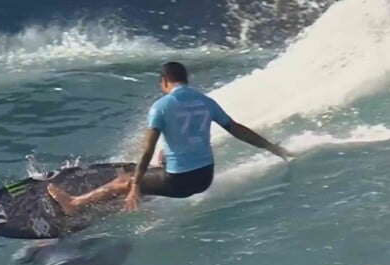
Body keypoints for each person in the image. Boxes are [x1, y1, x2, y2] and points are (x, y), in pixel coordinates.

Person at [47, 62, 294, 214]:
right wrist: (274, 148)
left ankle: (75, 204)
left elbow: (146, 149)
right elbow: (237, 129)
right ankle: (144, 192)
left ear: (164, 81)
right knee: (163, 156)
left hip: (181, 182)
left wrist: (134, 184)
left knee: (125, 179)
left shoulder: (161, 106)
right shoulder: (205, 101)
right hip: (205, 177)